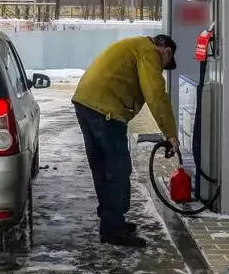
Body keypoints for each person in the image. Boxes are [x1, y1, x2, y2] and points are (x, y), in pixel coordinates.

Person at [71, 34, 180, 248]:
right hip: (105, 110)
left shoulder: (135, 46)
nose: (162, 67)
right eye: (166, 63)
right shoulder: (150, 51)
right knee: (118, 169)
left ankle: (111, 222)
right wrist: (170, 134)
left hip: (86, 103)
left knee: (102, 168)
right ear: (166, 51)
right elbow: (155, 94)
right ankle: (115, 230)